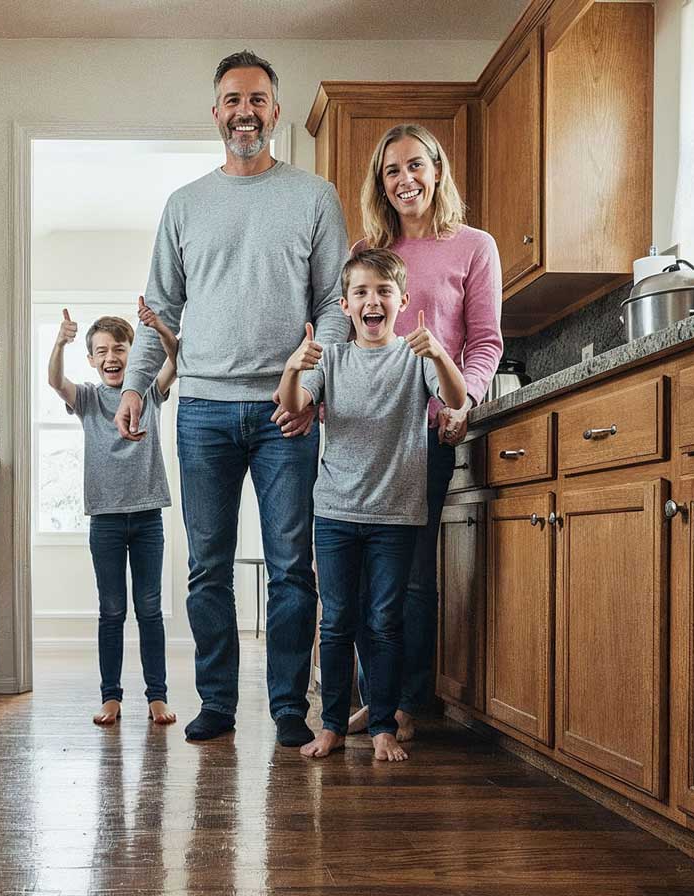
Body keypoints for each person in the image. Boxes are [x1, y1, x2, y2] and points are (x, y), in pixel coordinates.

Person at [117, 50, 353, 747]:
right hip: (203, 412)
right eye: (231, 100)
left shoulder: (313, 196)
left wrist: (309, 387)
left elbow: (334, 307)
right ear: (215, 112)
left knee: (289, 570)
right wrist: (134, 384)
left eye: (256, 100)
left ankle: (287, 707)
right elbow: (160, 305)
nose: (244, 112)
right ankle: (216, 702)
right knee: (207, 569)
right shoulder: (185, 205)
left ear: (274, 112)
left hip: (287, 412)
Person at [277, 247, 469, 762]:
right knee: (337, 620)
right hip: (336, 514)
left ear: (403, 300)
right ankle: (333, 725)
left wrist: (440, 353)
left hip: (396, 517)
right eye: (361, 293)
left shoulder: (415, 357)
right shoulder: (331, 359)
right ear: (345, 305)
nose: (372, 301)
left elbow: (453, 398)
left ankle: (383, 724)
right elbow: (293, 405)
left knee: (385, 621)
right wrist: (295, 366)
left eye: (383, 291)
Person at [343, 123, 503, 742]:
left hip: (427, 435)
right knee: (355, 574)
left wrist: (468, 400)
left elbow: (485, 342)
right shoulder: (369, 249)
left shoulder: (474, 246)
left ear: (437, 171)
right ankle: (375, 699)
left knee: (408, 576)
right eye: (391, 171)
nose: (405, 179)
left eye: (415, 166)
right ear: (380, 185)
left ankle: (407, 702)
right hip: (362, 439)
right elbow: (348, 339)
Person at [48, 307, 179, 728]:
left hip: (147, 517)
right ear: (91, 359)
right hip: (104, 520)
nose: (111, 357)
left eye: (119, 349)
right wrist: (59, 343)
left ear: (131, 352)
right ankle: (111, 698)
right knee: (111, 610)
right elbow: (55, 381)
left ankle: (157, 697)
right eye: (101, 351)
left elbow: (175, 362)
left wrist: (159, 327)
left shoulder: (146, 393)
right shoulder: (87, 398)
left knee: (150, 609)